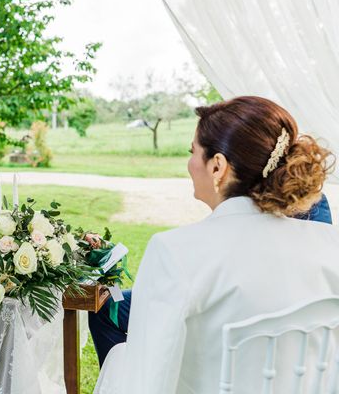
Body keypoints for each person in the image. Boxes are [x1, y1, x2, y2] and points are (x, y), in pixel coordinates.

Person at [94, 96, 338, 393]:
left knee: (122, 360)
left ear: (217, 166)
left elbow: (148, 381)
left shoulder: (174, 251)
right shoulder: (329, 244)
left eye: (193, 152)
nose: (189, 164)